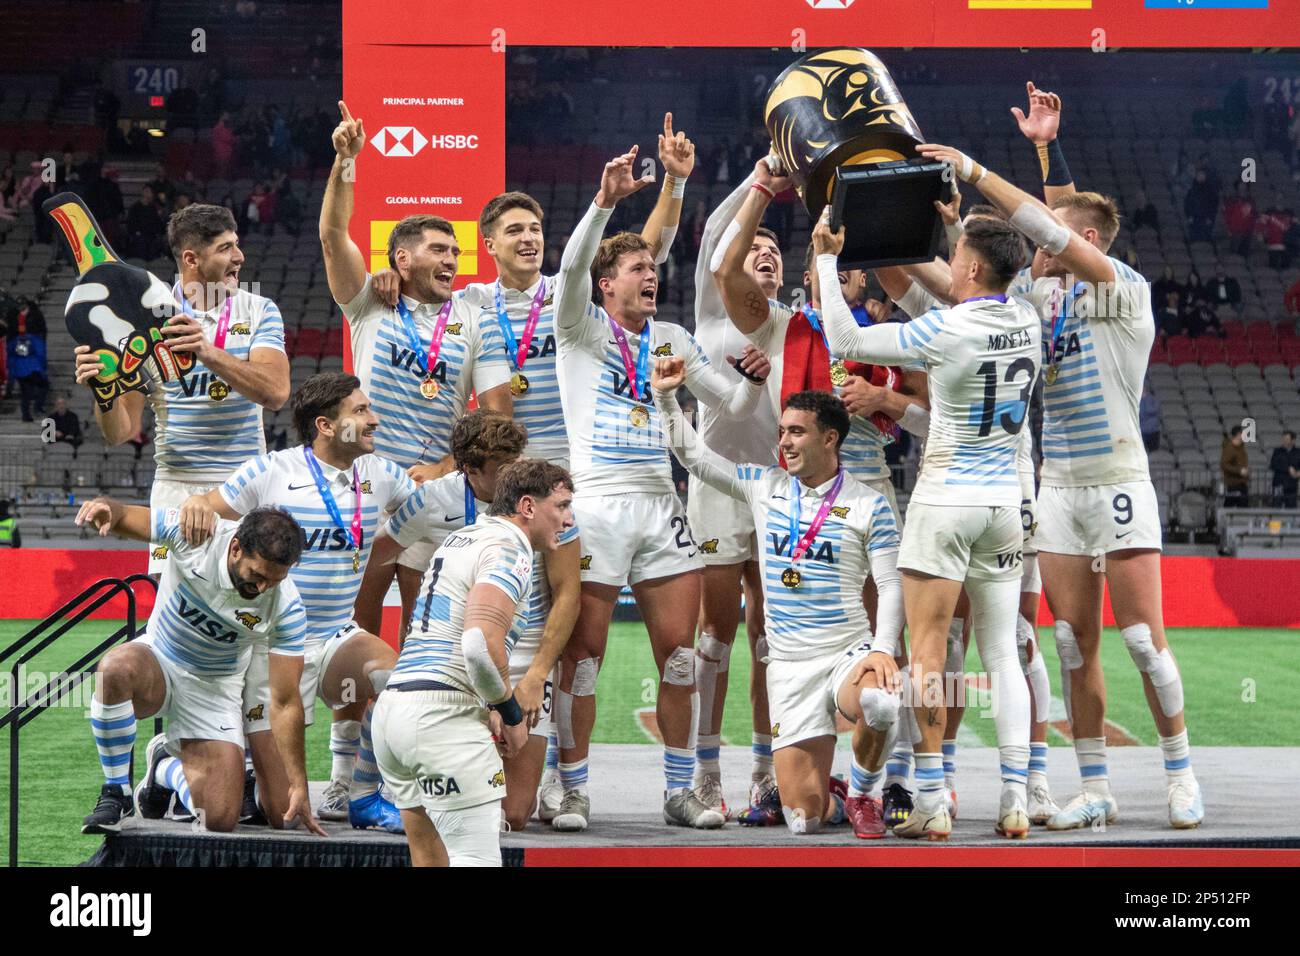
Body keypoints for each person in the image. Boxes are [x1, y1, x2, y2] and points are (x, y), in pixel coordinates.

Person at [932, 139, 1205, 830]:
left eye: (1050, 235)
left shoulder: (1123, 290)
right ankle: (1096, 786)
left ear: (1084, 241)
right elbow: (961, 288)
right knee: (1072, 642)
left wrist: (976, 170)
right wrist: (924, 236)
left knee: (1143, 637)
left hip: (1117, 478)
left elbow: (1045, 225)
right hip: (1057, 488)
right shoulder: (1035, 298)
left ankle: (1180, 772)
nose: (1033, 245)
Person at [548, 146, 770, 831]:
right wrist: (606, 201)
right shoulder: (579, 330)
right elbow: (570, 267)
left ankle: (680, 790)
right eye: (638, 269)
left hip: (661, 505)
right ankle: (573, 788)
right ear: (605, 284)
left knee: (680, 656)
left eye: (654, 268)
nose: (652, 275)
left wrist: (754, 380)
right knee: (583, 659)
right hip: (597, 504)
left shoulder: (671, 338)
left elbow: (727, 407)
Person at [813, 207, 1038, 840]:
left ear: (969, 265)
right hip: (1003, 507)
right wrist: (961, 226)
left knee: (930, 656)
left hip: (944, 502)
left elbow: (847, 344)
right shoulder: (1027, 318)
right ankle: (1014, 799)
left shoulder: (945, 329)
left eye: (958, 249)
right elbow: (990, 268)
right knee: (1001, 654)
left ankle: (934, 799)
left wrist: (828, 262)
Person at [320, 101, 513, 727]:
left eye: (455, 248)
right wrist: (345, 164)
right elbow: (332, 236)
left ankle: (427, 740)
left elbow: (498, 416)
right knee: (356, 625)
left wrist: (450, 462)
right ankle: (351, 770)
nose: (452, 256)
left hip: (436, 489)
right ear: (401, 260)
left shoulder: (474, 319)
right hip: (364, 485)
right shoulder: (370, 305)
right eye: (436, 248)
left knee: (433, 623)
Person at [655, 374, 904, 838]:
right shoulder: (762, 485)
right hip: (788, 665)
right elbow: (696, 458)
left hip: (845, 652)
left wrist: (882, 648)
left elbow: (891, 584)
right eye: (783, 430)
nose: (784, 441)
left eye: (796, 432)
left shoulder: (869, 504)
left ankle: (865, 794)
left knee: (879, 701)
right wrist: (668, 399)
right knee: (802, 821)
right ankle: (829, 799)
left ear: (830, 438)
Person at [176, 373, 419, 832]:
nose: (375, 420)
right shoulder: (271, 471)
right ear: (326, 426)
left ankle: (364, 794)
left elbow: (424, 511)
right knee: (276, 813)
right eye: (362, 412)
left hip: (333, 636)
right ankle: (167, 769)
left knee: (395, 680)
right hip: (270, 646)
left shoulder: (383, 475)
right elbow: (206, 507)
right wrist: (192, 500)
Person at [361, 410, 580, 832]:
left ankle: (561, 780)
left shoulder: (545, 504)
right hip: (460, 654)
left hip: (520, 647)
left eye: (515, 461)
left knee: (513, 812)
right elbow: (380, 552)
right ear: (470, 468)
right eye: (501, 467)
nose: (510, 474)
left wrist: (536, 675)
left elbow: (569, 594)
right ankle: (359, 786)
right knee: (470, 811)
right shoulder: (434, 500)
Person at [75, 501, 323, 837]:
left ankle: (164, 767)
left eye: (274, 581)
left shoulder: (287, 606)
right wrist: (107, 511)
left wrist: (298, 784)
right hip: (160, 661)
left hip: (215, 690)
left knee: (219, 819)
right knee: (116, 668)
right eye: (258, 575)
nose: (263, 588)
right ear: (236, 547)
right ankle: (116, 792)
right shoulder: (197, 534)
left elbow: (284, 700)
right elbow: (125, 517)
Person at [73, 202, 290, 576]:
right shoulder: (143, 324)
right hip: (176, 485)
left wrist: (205, 350)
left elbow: (275, 393)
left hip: (245, 483)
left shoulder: (259, 310)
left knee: (248, 601)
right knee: (167, 605)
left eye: (236, 244)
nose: (239, 256)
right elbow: (121, 432)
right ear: (191, 258)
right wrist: (103, 390)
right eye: (225, 248)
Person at [8, 300, 48, 422]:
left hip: (20, 370)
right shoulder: (34, 340)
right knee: (42, 386)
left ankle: (27, 414)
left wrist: (12, 369)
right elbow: (40, 355)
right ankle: (36, 408)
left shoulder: (14, 341)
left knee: (26, 392)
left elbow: (10, 355)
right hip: (32, 368)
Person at [1221, 424, 1250, 507]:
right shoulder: (1229, 449)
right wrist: (1239, 471)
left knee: (1242, 507)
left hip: (1242, 482)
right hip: (1234, 483)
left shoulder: (1241, 448)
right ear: (1238, 435)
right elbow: (1224, 465)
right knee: (1230, 506)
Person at [1270, 431, 1299, 508]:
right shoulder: (1277, 451)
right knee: (1276, 506)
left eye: (1287, 439)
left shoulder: (1298, 452)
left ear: (1293, 440)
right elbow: (1273, 465)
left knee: (1291, 508)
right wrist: (1288, 469)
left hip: (1291, 485)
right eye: (1283, 439)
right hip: (1278, 484)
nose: (1284, 441)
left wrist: (1298, 473)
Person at [1140, 381, 1161, 454]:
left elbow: (1153, 410)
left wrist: (1144, 399)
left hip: (1153, 431)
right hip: (1142, 432)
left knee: (1154, 453)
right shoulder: (1136, 400)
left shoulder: (1153, 399)